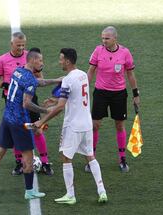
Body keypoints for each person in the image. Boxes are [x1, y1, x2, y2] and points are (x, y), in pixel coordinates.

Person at [34, 48, 108, 204]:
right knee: (90, 156)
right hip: (87, 123)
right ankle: (102, 191)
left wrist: (42, 121)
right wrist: (55, 100)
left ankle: (70, 195)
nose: (59, 62)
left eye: (61, 59)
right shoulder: (83, 75)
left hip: (73, 125)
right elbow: (76, 96)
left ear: (67, 61)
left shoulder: (67, 79)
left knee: (65, 157)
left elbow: (61, 107)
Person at [0, 51, 60, 199]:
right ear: (32, 60)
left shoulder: (18, 71)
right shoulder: (30, 80)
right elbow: (27, 103)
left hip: (7, 118)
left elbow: (39, 82)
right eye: (40, 61)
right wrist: (46, 110)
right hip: (20, 123)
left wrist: (57, 80)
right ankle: (29, 191)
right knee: (28, 157)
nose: (42, 63)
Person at [0, 32, 53, 176]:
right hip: (12, 101)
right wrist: (6, 85)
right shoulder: (2, 60)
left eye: (23, 45)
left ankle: (45, 162)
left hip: (30, 98)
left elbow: (40, 78)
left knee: (37, 129)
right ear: (11, 44)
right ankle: (19, 162)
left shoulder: (31, 58)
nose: (21, 48)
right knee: (17, 131)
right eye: (18, 45)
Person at [86, 26, 140, 173]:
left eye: (107, 38)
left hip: (119, 94)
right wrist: (83, 89)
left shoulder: (125, 53)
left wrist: (136, 94)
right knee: (95, 125)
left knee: (119, 126)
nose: (104, 41)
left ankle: (122, 159)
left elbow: (130, 75)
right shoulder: (98, 50)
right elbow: (91, 71)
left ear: (115, 38)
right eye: (102, 38)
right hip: (101, 93)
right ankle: (92, 159)